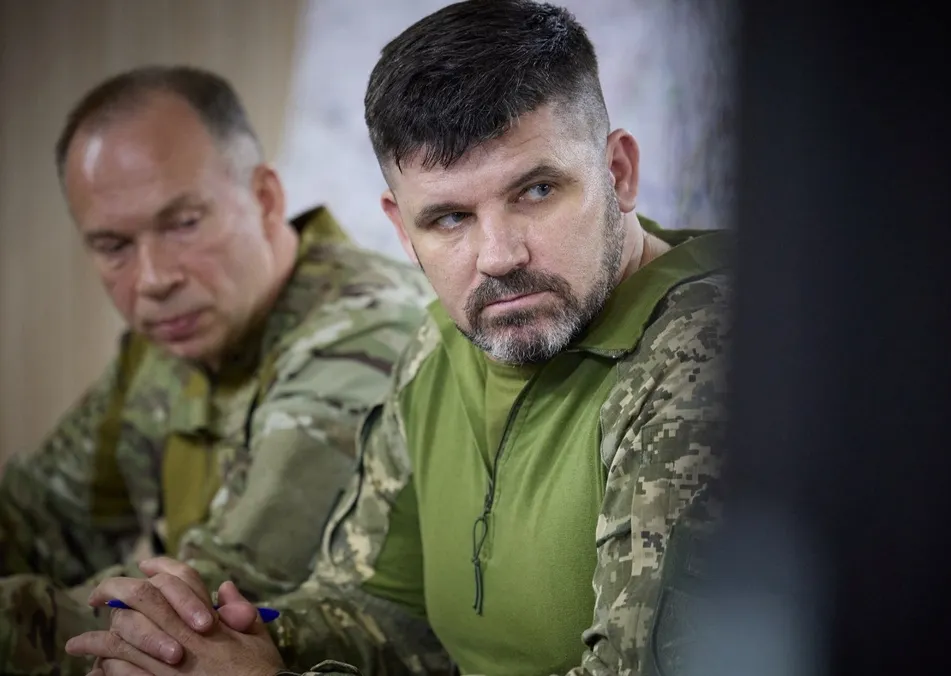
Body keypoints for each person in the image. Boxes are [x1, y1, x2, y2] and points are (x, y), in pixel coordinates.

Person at [66, 2, 729, 675]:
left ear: (618, 173)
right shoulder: (442, 346)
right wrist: (214, 642)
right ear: (402, 230)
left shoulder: (708, 357)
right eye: (449, 218)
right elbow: (383, 608)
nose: (499, 256)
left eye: (536, 190)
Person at [0, 66, 432, 675]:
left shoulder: (364, 337)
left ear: (265, 199)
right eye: (114, 246)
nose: (154, 279)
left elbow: (209, 611)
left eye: (183, 224)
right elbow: (36, 516)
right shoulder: (174, 337)